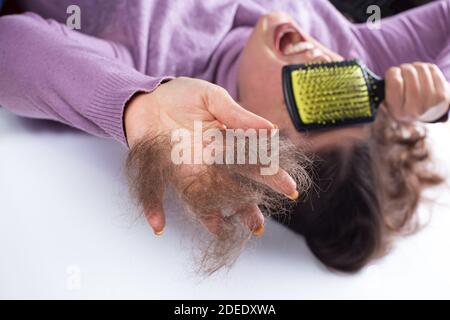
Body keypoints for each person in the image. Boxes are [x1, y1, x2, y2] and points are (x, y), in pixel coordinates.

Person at [0, 0, 449, 273]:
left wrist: (134, 105)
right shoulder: (350, 49)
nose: (322, 59)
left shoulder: (153, 55)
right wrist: (443, 95)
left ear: (245, 138)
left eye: (308, 102)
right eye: (344, 90)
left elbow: (9, 45)